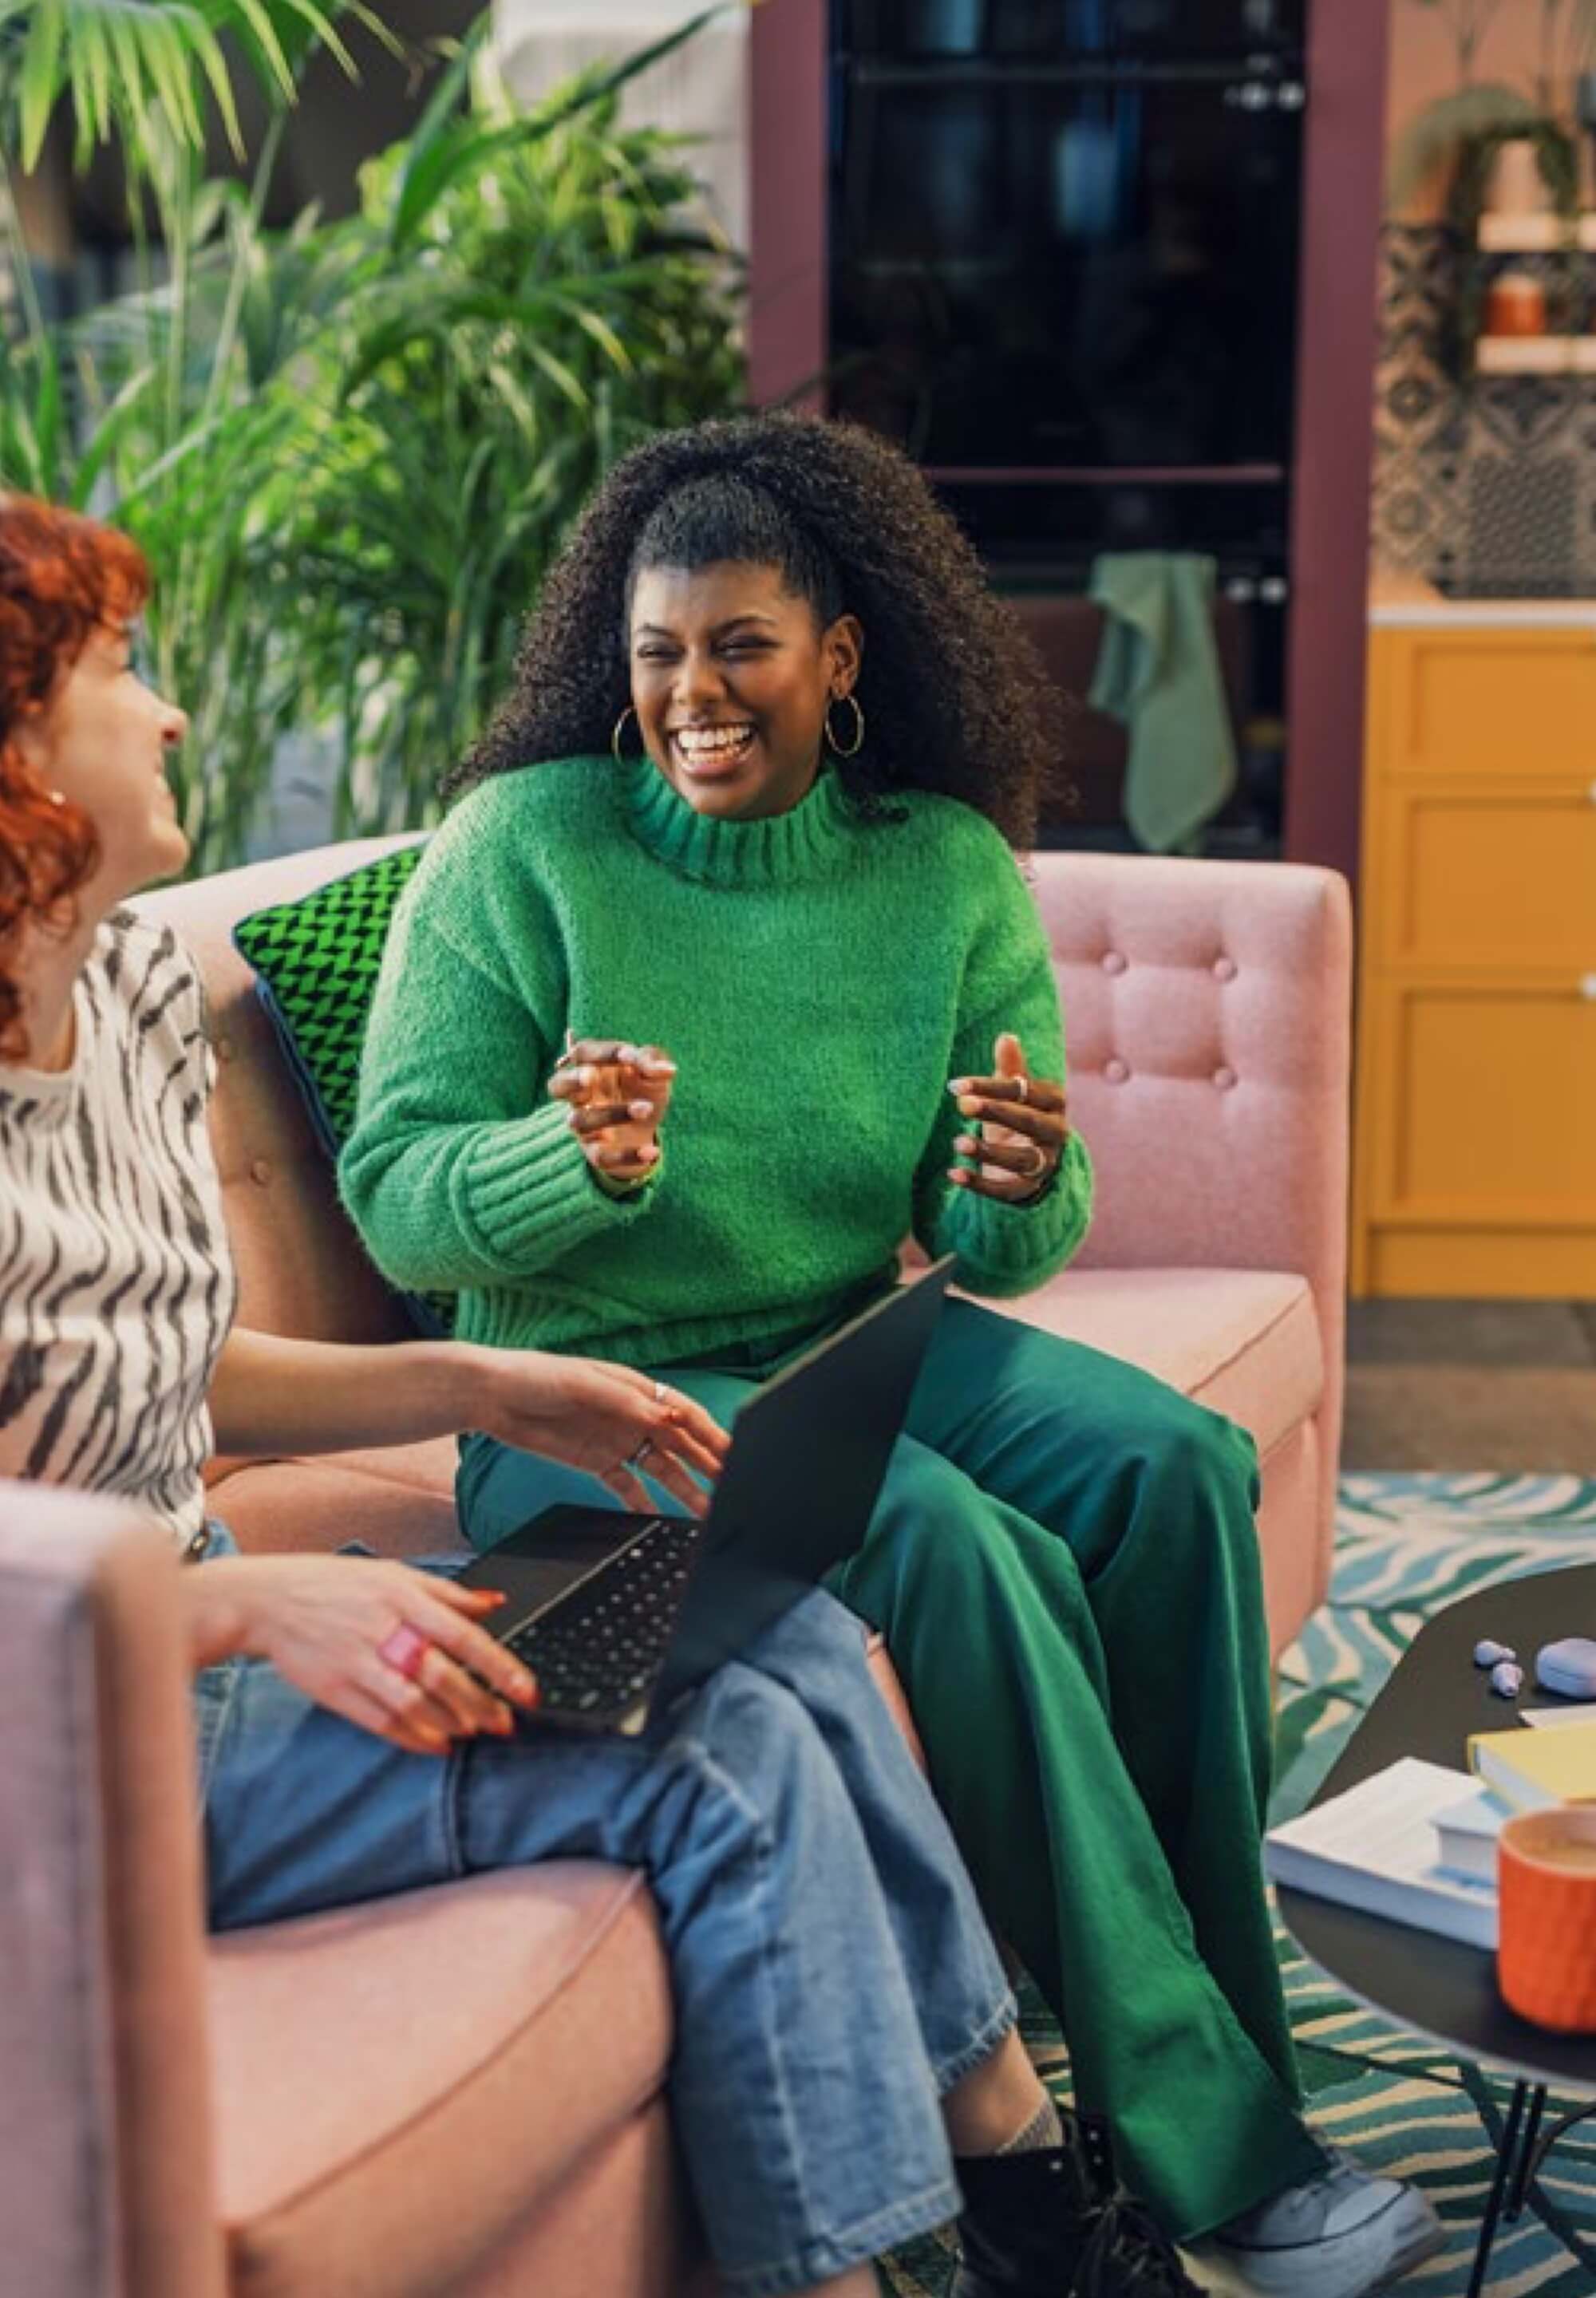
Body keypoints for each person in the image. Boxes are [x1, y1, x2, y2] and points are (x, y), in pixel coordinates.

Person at [0, 490, 1210, 2298]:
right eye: (116, 673)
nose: (169, 711)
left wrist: (499, 1377)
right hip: (76, 1733)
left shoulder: (130, 1000)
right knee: (718, 1765)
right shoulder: (528, 849)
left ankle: (1029, 2199)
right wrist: (245, 1598)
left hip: (204, 1624)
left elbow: (172, 1368)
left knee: (771, 1637)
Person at [343, 413, 1445, 2298]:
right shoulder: (523, 850)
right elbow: (393, 1199)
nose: (695, 695)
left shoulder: (936, 869)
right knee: (949, 1541)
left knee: (1169, 1467)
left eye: (741, 647)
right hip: (588, 1408)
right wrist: (558, 1161)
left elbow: (1006, 1221)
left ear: (838, 653)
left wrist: (1018, 1174)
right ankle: (1217, 2156)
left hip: (849, 1340)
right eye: (658, 653)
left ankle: (1216, 2029)